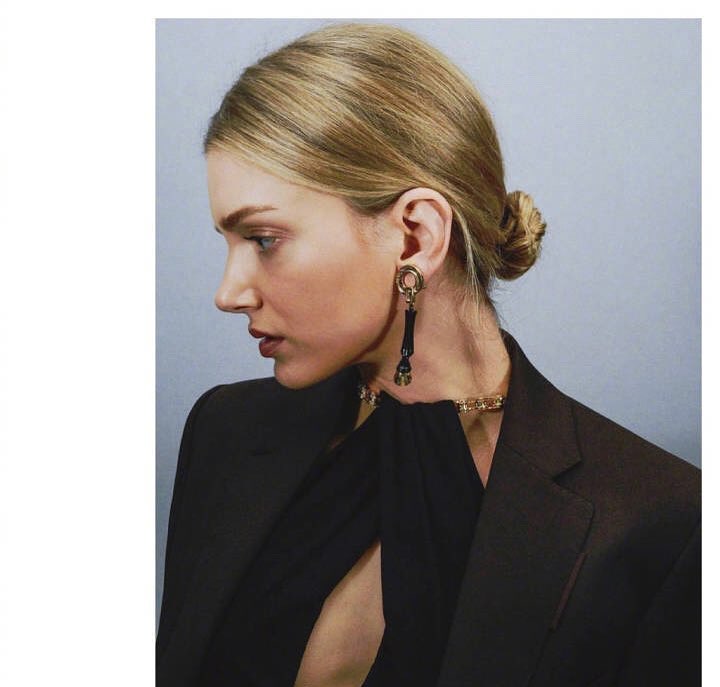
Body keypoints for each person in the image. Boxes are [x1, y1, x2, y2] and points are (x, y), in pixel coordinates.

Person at [156, 23, 700, 687]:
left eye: (264, 239)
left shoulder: (663, 521)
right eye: (228, 242)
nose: (228, 293)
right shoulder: (225, 431)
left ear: (415, 237)